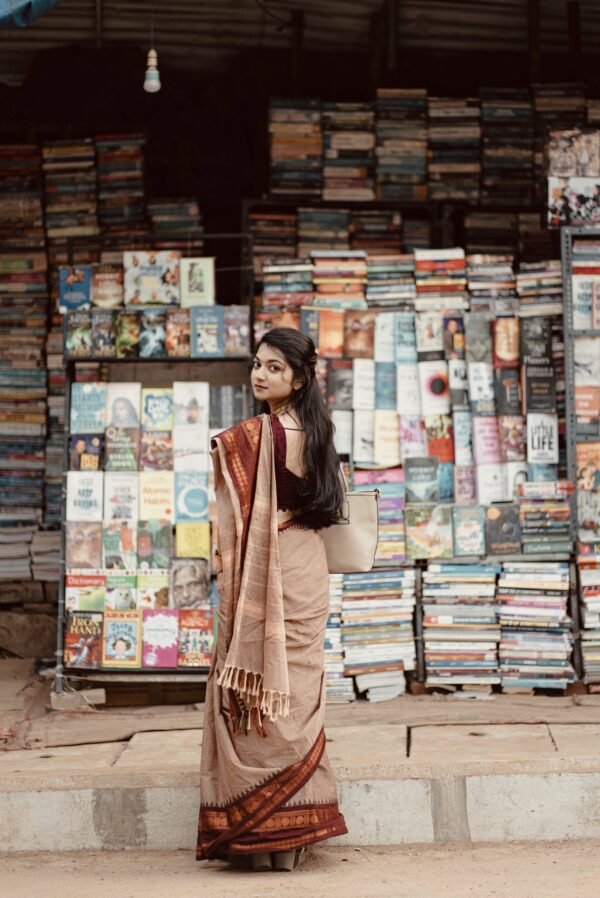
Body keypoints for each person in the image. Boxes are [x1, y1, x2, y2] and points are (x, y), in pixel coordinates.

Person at [197, 327, 347, 873]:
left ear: (299, 377)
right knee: (295, 689)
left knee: (253, 686)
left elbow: (226, 481)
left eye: (275, 368)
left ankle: (255, 837)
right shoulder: (320, 429)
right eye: (257, 364)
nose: (260, 374)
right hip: (306, 564)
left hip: (272, 565)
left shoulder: (259, 433)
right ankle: (291, 837)